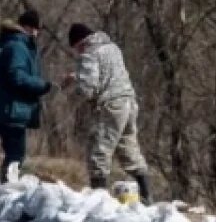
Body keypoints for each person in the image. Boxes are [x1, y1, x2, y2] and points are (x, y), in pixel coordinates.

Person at [63, 24, 152, 204]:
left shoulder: (88, 53)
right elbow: (106, 73)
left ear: (80, 42)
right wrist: (77, 75)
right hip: (129, 102)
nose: (77, 52)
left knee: (100, 150)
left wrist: (74, 91)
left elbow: (88, 88)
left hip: (111, 105)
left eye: (76, 48)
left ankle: (99, 199)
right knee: (129, 148)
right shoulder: (112, 48)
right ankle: (146, 194)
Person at [0, 11, 51, 179]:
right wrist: (42, 85)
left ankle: (5, 185)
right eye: (35, 28)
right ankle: (7, 187)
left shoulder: (9, 44)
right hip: (12, 108)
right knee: (15, 155)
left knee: (13, 153)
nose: (37, 33)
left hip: (7, 107)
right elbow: (17, 76)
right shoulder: (18, 47)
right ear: (27, 27)